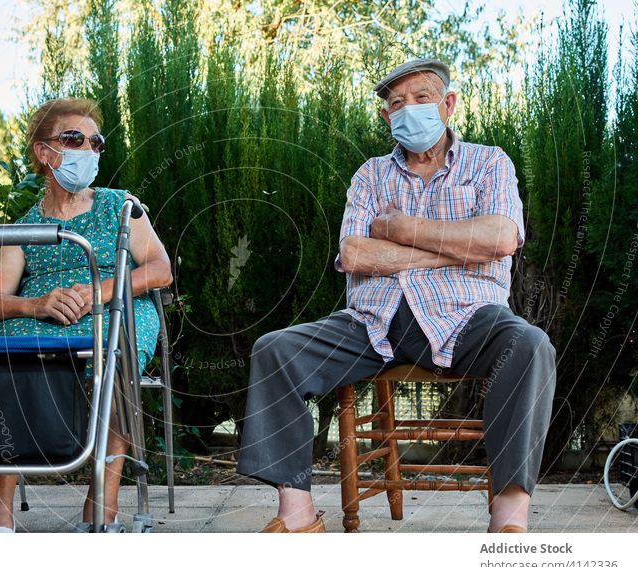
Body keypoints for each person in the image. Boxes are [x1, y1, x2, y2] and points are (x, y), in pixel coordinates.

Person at [237, 58, 556, 533]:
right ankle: (298, 514)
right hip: (372, 321)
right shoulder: (370, 175)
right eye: (397, 104)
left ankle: (509, 518)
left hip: (467, 315)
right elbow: (355, 253)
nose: (409, 111)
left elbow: (501, 239)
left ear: (447, 105)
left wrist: (402, 229)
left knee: (530, 346)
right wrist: (455, 250)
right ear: (387, 119)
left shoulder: (490, 162)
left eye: (422, 99)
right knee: (276, 350)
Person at [0, 98, 173, 533]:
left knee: (114, 358)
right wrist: (37, 303)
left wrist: (100, 291)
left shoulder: (120, 205)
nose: (87, 149)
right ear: (43, 152)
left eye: (95, 142)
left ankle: (99, 510)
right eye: (73, 139)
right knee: (7, 357)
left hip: (115, 306)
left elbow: (161, 271)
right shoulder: (24, 227)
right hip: (43, 318)